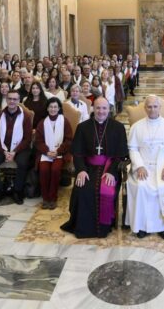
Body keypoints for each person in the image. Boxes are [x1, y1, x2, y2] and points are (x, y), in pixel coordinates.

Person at [61, 97, 128, 238]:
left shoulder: (118, 127)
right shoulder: (83, 127)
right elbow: (77, 153)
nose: (101, 111)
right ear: (93, 109)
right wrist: (81, 170)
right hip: (88, 167)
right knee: (83, 188)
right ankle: (83, 228)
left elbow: (121, 155)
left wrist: (112, 172)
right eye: (98, 108)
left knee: (105, 189)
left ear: (109, 109)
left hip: (109, 168)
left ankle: (104, 227)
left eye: (104, 108)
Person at [126, 96, 164, 240]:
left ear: (160, 108)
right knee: (141, 187)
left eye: (155, 106)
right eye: (149, 106)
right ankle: (142, 226)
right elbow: (133, 149)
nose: (152, 109)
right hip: (144, 167)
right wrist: (139, 166)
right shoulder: (136, 127)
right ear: (145, 108)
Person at [0, 90, 34, 205]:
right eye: (10, 99)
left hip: (20, 147)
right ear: (6, 99)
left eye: (15, 99)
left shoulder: (25, 116)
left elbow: (27, 138)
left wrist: (15, 151)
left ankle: (17, 191)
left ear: (18, 101)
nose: (12, 101)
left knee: (22, 163)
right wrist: (4, 151)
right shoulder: (0, 116)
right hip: (3, 147)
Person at [34, 97, 73, 209]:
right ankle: (45, 198)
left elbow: (69, 140)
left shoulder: (64, 121)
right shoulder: (42, 122)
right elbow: (38, 141)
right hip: (46, 154)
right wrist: (47, 151)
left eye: (55, 107)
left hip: (60, 153)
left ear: (59, 108)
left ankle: (53, 198)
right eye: (50, 107)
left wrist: (58, 151)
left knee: (55, 170)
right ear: (47, 108)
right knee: (44, 170)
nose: (53, 109)